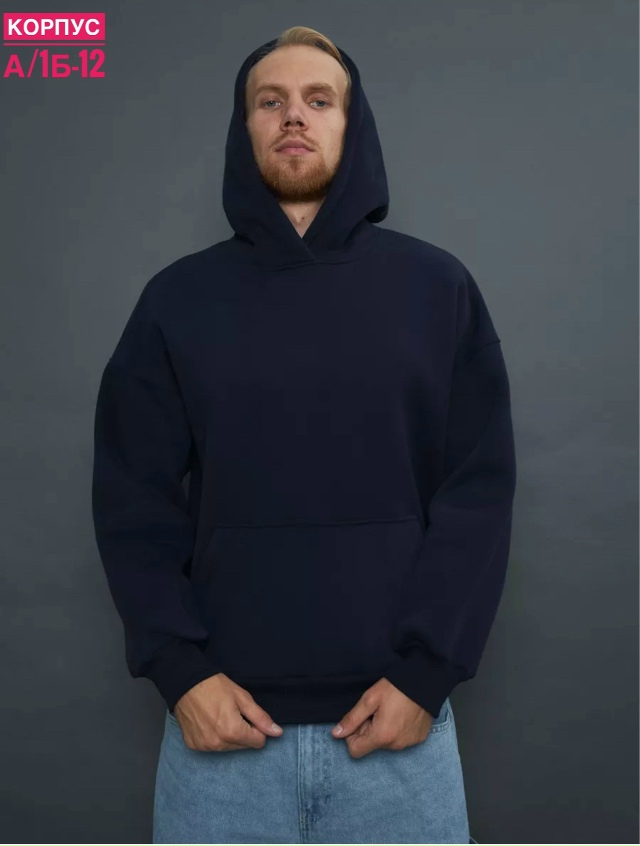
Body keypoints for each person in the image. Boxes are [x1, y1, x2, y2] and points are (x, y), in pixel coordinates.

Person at [91, 25, 516, 845]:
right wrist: (180, 672)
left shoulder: (437, 290)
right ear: (244, 127)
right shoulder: (177, 302)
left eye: (319, 100)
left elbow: (479, 493)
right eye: (270, 101)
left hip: (399, 741)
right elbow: (131, 501)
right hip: (221, 744)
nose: (294, 116)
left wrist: (426, 675)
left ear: (353, 126)